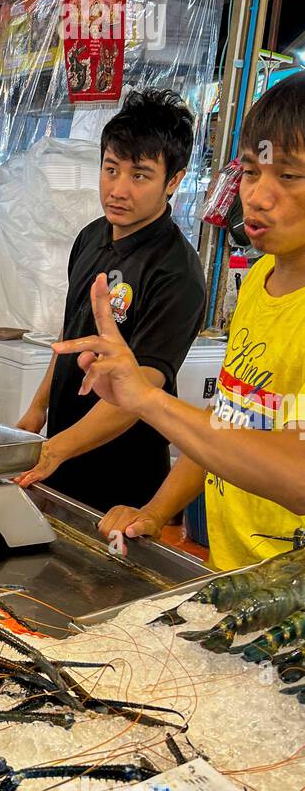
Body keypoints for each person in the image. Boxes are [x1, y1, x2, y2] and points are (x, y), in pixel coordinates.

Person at [72, 73, 305, 571]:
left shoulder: (177, 269)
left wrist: (148, 399)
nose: (258, 197)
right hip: (234, 574)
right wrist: (157, 512)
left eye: (289, 176)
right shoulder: (261, 278)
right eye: (249, 171)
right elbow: (228, 423)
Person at [14, 89, 207, 512]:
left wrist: (55, 449)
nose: (118, 189)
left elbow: (143, 390)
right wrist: (37, 409)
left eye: (139, 175)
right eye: (111, 169)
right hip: (62, 459)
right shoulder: (92, 236)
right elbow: (72, 333)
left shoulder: (177, 273)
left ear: (173, 181)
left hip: (122, 480)